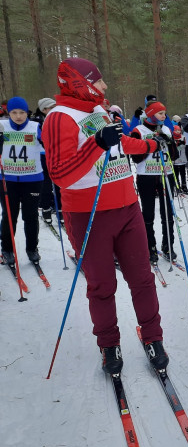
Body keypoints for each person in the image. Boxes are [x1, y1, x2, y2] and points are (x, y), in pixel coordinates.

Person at [42, 57, 168, 374]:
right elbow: (60, 173)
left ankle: (153, 338)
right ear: (78, 82)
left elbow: (119, 144)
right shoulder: (58, 118)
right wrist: (96, 144)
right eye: (98, 81)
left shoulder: (98, 110)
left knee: (143, 279)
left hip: (127, 207)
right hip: (88, 214)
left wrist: (150, 144)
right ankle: (109, 345)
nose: (104, 86)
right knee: (102, 286)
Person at [130, 101, 178, 263]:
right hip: (147, 176)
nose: (164, 116)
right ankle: (150, 246)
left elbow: (175, 156)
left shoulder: (165, 129)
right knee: (148, 214)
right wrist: (152, 145)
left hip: (166, 175)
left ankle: (168, 245)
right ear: (151, 114)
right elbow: (135, 158)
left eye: (164, 113)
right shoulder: (138, 131)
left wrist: (169, 142)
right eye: (160, 113)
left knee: (168, 213)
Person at [0, 97, 45, 265]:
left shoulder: (35, 127)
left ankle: (32, 248)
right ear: (8, 112)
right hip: (7, 179)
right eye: (14, 112)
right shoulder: (1, 126)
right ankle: (7, 248)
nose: (18, 116)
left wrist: (44, 141)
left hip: (32, 179)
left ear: (27, 112)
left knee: (31, 216)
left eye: (22, 112)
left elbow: (48, 147)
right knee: (9, 216)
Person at [32, 97, 61, 225]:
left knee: (60, 182)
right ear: (44, 109)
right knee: (46, 183)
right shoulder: (37, 121)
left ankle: (60, 210)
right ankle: (46, 209)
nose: (54, 109)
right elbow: (40, 137)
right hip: (43, 155)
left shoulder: (58, 118)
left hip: (57, 154)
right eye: (51, 107)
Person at [172, 125, 188, 194]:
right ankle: (177, 185)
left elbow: (187, 145)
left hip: (182, 158)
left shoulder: (183, 137)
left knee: (183, 173)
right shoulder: (171, 138)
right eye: (176, 130)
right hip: (175, 160)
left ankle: (184, 185)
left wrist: (184, 143)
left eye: (178, 130)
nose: (177, 132)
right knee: (176, 173)